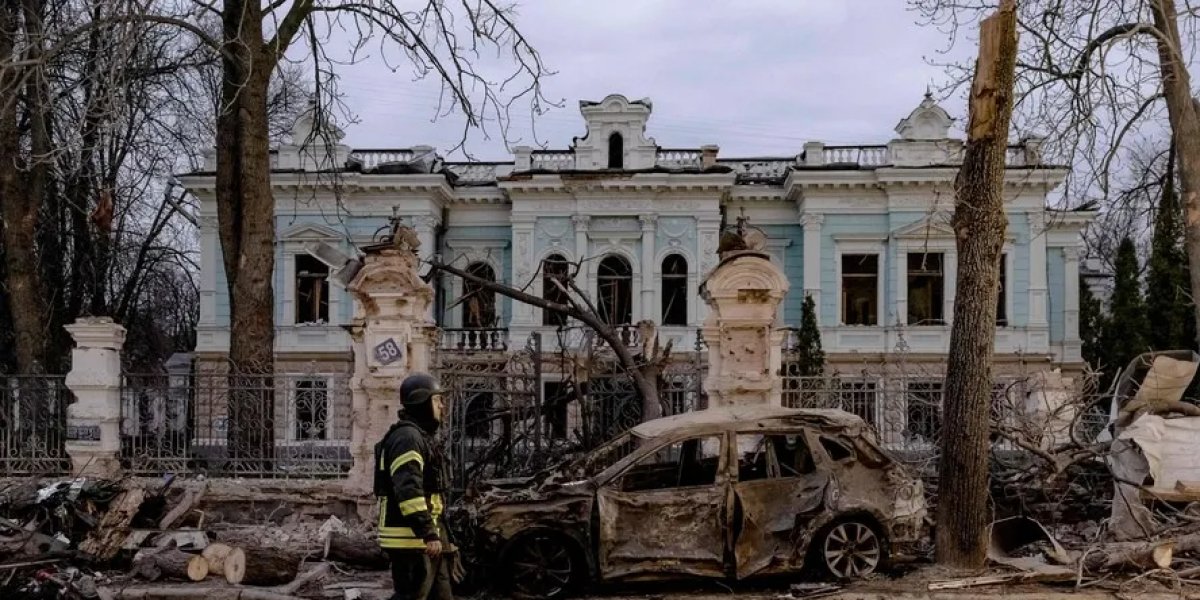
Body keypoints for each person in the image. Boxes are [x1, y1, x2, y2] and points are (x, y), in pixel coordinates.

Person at [375, 373, 453, 600]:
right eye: (437, 400)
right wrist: (428, 532)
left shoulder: (419, 436)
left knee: (441, 594)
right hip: (409, 538)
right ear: (422, 401)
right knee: (412, 594)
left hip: (423, 537)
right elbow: (409, 491)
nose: (442, 405)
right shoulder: (407, 438)